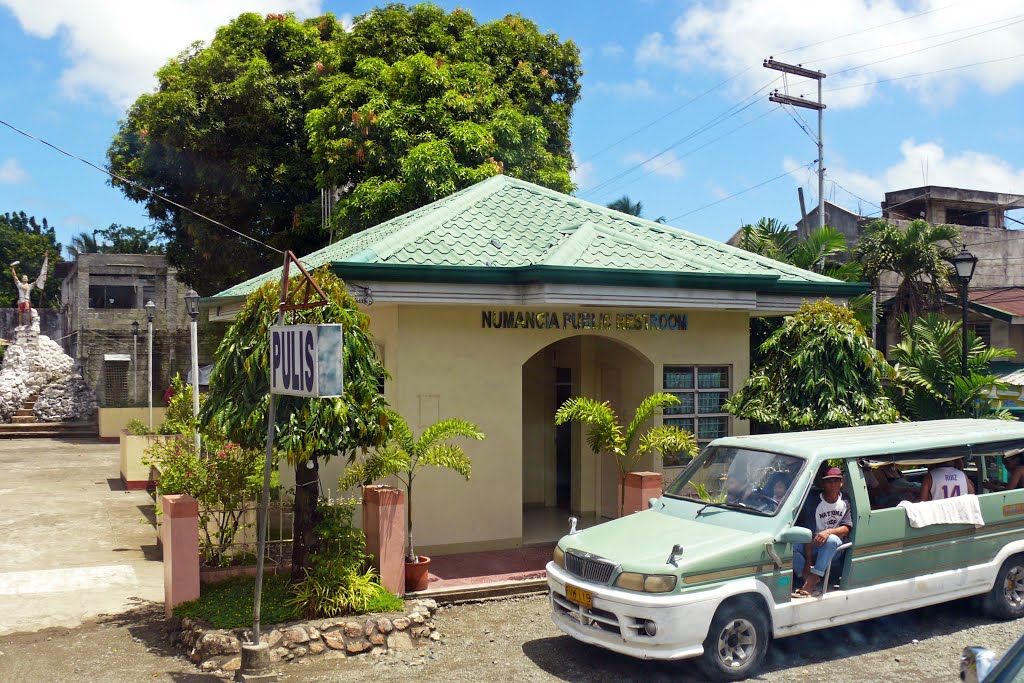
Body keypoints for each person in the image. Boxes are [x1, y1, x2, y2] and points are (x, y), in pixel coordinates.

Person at [792, 467, 853, 597]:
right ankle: (808, 578)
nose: (832, 484)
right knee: (789, 546)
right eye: (828, 481)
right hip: (813, 544)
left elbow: (847, 527)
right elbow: (807, 534)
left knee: (831, 540)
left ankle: (812, 581)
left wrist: (828, 532)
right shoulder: (813, 502)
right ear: (823, 484)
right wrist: (808, 562)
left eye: (836, 481)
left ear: (841, 483)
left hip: (834, 547)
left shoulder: (845, 500)